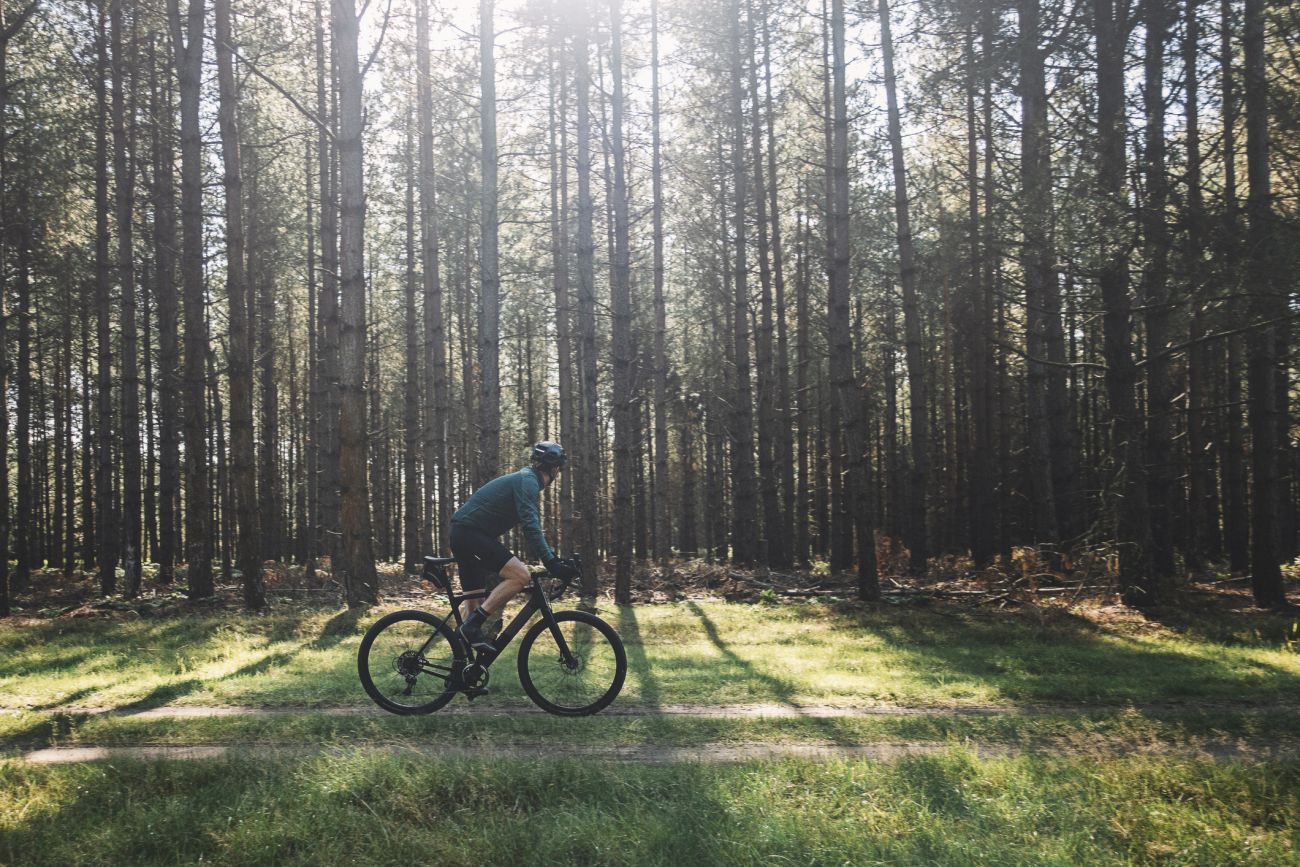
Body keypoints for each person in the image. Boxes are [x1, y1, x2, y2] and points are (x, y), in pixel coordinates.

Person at [451, 441, 579, 652]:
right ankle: (473, 627)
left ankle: (460, 675)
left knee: (472, 612)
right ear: (555, 469)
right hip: (469, 534)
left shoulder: (527, 478)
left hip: (464, 534)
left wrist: (552, 558)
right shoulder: (528, 481)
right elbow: (531, 526)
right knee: (521, 576)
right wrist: (551, 561)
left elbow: (531, 527)